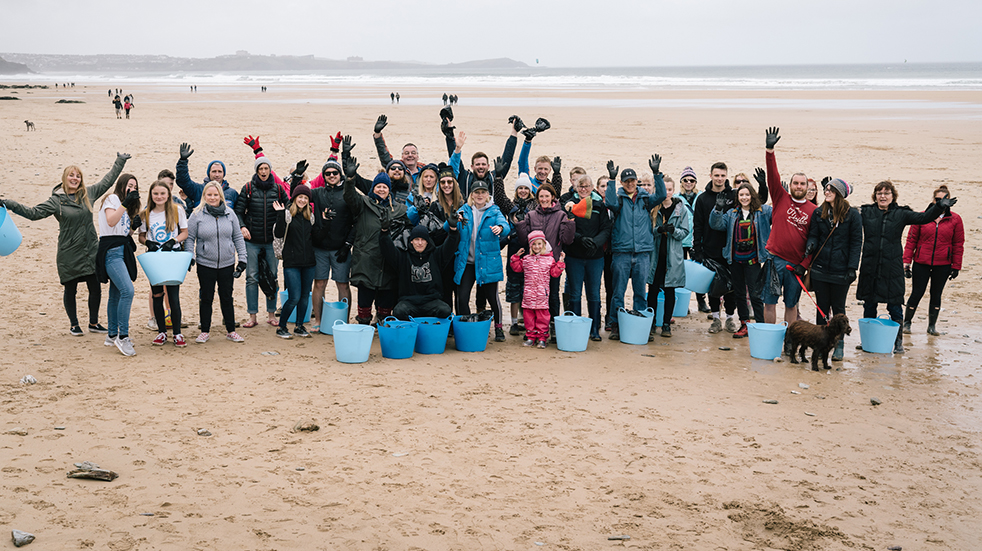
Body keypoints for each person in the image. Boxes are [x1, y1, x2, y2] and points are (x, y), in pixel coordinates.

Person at [3, 153, 129, 336]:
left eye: (78, 176)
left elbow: (107, 181)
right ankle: (74, 325)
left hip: (90, 249)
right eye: (71, 175)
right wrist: (8, 203)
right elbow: (33, 213)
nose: (75, 178)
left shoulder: (89, 193)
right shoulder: (56, 201)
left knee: (94, 286)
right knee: (71, 287)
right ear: (64, 178)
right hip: (68, 251)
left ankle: (93, 323)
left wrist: (120, 161)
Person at [858, 181, 954, 353]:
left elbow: (924, 218)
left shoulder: (901, 213)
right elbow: (845, 213)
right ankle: (869, 341)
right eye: (879, 193)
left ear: (892, 196)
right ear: (875, 196)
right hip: (870, 265)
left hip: (892, 266)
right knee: (869, 303)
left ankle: (898, 342)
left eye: (886, 193)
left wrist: (939, 207)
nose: (883, 196)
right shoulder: (866, 212)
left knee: (894, 305)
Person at [604, 156, 667, 341]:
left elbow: (662, 195)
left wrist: (657, 174)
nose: (630, 184)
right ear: (622, 183)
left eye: (633, 181)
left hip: (642, 253)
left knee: (640, 292)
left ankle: (641, 327)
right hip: (621, 252)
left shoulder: (646, 200)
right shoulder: (619, 200)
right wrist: (610, 180)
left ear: (636, 182)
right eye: (626, 181)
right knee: (618, 292)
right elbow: (609, 202)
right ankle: (616, 325)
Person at [343, 156, 411, 324]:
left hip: (388, 263)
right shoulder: (363, 203)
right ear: (373, 188)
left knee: (385, 304)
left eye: (385, 187)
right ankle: (364, 325)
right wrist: (350, 179)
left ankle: (382, 327)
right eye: (378, 186)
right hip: (366, 260)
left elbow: (409, 229)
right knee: (365, 302)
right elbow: (349, 196)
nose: (381, 189)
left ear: (389, 190)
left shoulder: (400, 209)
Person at [761, 127, 818, 326]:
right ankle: (769, 336)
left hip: (796, 265)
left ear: (807, 187)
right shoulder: (780, 197)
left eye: (802, 184)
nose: (799, 186)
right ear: (791, 185)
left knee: (791, 305)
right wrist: (769, 150)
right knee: (769, 303)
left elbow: (815, 241)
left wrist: (804, 265)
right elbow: (772, 175)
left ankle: (789, 340)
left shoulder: (814, 210)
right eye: (795, 183)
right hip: (774, 259)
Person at [805, 178, 862, 360]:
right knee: (821, 307)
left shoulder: (852, 215)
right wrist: (811, 244)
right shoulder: (819, 212)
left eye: (831, 189)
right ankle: (820, 344)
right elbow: (813, 234)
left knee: (838, 309)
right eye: (826, 189)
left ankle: (839, 345)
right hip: (820, 269)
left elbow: (856, 243)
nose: (826, 192)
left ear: (840, 194)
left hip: (841, 270)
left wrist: (852, 267)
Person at [186, 182, 248, 344]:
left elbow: (237, 237)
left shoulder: (230, 214)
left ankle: (231, 331)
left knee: (226, 297)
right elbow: (190, 237)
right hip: (205, 263)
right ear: (204, 196)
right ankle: (205, 331)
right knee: (206, 297)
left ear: (221, 196)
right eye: (209, 195)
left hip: (227, 263)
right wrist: (189, 256)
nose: (212, 198)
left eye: (215, 195)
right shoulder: (197, 215)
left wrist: (242, 259)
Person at [513, 182, 575, 342]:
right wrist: (520, 224)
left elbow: (567, 240)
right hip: (533, 264)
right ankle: (532, 331)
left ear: (553, 197)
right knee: (531, 297)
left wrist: (570, 222)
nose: (544, 199)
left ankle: (553, 328)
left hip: (551, 262)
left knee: (552, 296)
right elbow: (523, 240)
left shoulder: (561, 214)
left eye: (547, 196)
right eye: (541, 196)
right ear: (538, 198)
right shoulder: (531, 215)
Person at [235, 145, 288, 327]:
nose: (263, 171)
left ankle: (271, 315)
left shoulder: (279, 190)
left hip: (272, 242)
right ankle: (252, 317)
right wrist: (242, 226)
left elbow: (289, 210)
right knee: (252, 277)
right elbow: (238, 212)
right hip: (252, 242)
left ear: (270, 170)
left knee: (272, 276)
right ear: (256, 171)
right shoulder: (248, 188)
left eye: (266, 168)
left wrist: (281, 213)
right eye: (260, 169)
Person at [709, 182, 772, 337]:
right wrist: (717, 209)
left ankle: (760, 326)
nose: (744, 197)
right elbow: (716, 225)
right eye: (741, 195)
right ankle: (745, 324)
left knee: (756, 295)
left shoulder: (762, 212)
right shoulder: (731, 214)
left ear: (752, 196)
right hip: (735, 261)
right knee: (739, 294)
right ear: (737, 197)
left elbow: (778, 214)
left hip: (753, 261)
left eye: (747, 194)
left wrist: (779, 196)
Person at [902, 185, 964, 336]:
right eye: (937, 199)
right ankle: (907, 323)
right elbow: (911, 241)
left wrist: (956, 266)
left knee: (936, 294)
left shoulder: (955, 219)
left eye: (944, 199)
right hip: (921, 262)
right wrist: (906, 262)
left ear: (949, 200)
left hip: (943, 264)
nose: (941, 202)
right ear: (933, 200)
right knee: (917, 293)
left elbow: (958, 243)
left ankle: (931, 326)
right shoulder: (923, 216)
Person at [453, 180, 511, 341]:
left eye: (483, 192)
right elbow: (449, 226)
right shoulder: (464, 210)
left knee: (492, 297)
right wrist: (453, 221)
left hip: (486, 262)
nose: (480, 195)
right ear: (471, 194)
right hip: (467, 262)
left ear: (487, 195)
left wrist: (500, 228)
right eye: (476, 192)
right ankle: (465, 327)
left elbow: (505, 226)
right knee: (462, 297)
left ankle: (498, 328)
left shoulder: (494, 211)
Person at [137, 180, 188, 347]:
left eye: (162, 193)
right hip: (155, 259)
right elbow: (142, 236)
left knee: (173, 296)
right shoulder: (146, 214)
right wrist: (147, 243)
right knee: (157, 295)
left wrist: (173, 241)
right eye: (155, 194)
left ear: (168, 195)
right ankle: (161, 332)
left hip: (172, 257)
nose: (159, 196)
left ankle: (178, 333)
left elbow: (184, 233)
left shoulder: (177, 210)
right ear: (151, 195)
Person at [380, 216, 461, 320]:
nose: (420, 243)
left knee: (445, 310)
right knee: (398, 311)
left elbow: (450, 246)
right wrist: (384, 231)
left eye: (423, 240)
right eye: (416, 239)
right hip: (409, 301)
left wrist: (453, 229)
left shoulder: (436, 255)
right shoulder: (403, 257)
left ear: (427, 241)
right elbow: (387, 249)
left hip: (431, 301)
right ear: (411, 241)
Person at [561, 174, 611, 341]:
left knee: (594, 294)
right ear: (576, 187)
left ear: (592, 188)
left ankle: (594, 329)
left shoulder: (598, 205)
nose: (584, 189)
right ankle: (576, 326)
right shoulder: (570, 205)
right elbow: (566, 227)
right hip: (574, 255)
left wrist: (596, 243)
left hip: (595, 256)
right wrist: (579, 238)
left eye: (587, 186)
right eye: (581, 186)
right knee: (575, 293)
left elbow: (606, 228)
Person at [96, 174, 141, 356]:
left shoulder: (124, 206)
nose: (132, 189)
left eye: (135, 187)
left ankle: (112, 335)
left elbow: (121, 232)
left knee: (115, 294)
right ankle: (123, 336)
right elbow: (110, 221)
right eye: (129, 185)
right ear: (122, 185)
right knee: (127, 291)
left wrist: (132, 228)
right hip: (111, 253)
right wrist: (125, 204)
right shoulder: (112, 199)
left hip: (121, 250)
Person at [307, 158, 354, 329]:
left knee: (342, 284)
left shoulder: (348, 194)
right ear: (324, 176)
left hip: (341, 248)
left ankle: (345, 321)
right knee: (319, 283)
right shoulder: (318, 192)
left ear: (340, 174)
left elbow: (356, 221)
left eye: (335, 173)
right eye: (328, 173)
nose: (332, 175)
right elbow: (298, 194)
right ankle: (318, 320)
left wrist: (348, 244)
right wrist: (297, 176)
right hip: (319, 247)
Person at [272, 183, 323, 339]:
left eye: (305, 198)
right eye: (300, 197)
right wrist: (280, 214)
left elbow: (317, 238)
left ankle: (299, 326)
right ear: (294, 198)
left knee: (304, 296)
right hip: (291, 263)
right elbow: (279, 233)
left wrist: (325, 221)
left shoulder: (311, 217)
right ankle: (281, 327)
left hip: (308, 262)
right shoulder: (287, 215)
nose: (302, 200)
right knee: (294, 296)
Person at [692, 162, 737, 333]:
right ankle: (716, 319)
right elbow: (697, 225)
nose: (719, 179)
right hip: (710, 249)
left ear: (727, 177)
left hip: (731, 249)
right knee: (714, 287)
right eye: (716, 175)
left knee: (731, 286)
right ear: (710, 176)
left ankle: (731, 319)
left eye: (722, 176)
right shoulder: (703, 198)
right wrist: (697, 250)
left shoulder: (733, 196)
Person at [493, 172, 536, 335]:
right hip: (513, 254)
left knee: (529, 291)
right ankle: (513, 323)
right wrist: (498, 179)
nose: (523, 191)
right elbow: (500, 197)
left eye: (526, 188)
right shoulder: (511, 207)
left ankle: (527, 321)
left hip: (531, 255)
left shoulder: (535, 206)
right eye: (520, 188)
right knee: (514, 291)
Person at [648, 176, 691, 338]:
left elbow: (685, 232)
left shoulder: (681, 209)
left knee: (669, 291)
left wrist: (674, 231)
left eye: (670, 189)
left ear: (674, 190)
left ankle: (666, 324)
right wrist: (658, 230)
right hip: (656, 256)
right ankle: (651, 323)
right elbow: (647, 231)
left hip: (672, 257)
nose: (666, 193)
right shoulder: (653, 208)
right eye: (663, 189)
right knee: (652, 290)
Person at [510, 231, 566, 348]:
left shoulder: (549, 260)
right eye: (534, 244)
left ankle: (542, 338)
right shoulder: (526, 259)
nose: (537, 247)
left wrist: (560, 262)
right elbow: (517, 268)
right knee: (528, 317)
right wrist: (515, 257)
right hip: (529, 295)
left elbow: (554, 273)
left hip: (542, 295)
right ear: (530, 246)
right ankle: (530, 336)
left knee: (542, 317)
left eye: (539, 244)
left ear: (544, 245)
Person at [444, 115, 518, 196]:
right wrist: (450, 136)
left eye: (483, 164)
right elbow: (455, 161)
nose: (481, 166)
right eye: (477, 164)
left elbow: (507, 157)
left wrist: (514, 132)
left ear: (488, 166)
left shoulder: (494, 178)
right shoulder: (465, 178)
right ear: (472, 167)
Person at [675, 166, 709, 313]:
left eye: (692, 180)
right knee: (680, 272)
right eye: (686, 180)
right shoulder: (677, 198)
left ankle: (701, 301)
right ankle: (683, 302)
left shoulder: (701, 196)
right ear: (681, 182)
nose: (689, 183)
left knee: (698, 271)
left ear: (695, 182)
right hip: (681, 240)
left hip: (697, 240)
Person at [175, 142, 239, 213]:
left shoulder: (232, 193)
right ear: (209, 173)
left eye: (220, 171)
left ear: (224, 174)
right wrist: (183, 162)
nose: (217, 174)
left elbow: (238, 214)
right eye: (214, 171)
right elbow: (183, 181)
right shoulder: (198, 190)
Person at [372, 114, 422, 181]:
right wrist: (377, 133)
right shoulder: (397, 169)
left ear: (417, 156)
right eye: (406, 153)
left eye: (413, 153)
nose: (410, 155)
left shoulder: (425, 171)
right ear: (402, 157)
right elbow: (384, 155)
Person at [595, 175, 615, 330]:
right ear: (597, 188)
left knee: (611, 286)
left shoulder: (615, 205)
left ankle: (609, 316)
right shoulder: (594, 204)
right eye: (602, 186)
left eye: (608, 186)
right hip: (596, 251)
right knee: (594, 287)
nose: (605, 189)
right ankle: (595, 317)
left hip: (611, 252)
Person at [515, 118, 554, 192]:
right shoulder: (529, 183)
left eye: (545, 169)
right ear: (535, 169)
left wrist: (557, 175)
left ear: (550, 170)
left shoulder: (551, 187)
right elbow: (522, 162)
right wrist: (527, 141)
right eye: (540, 168)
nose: (542, 172)